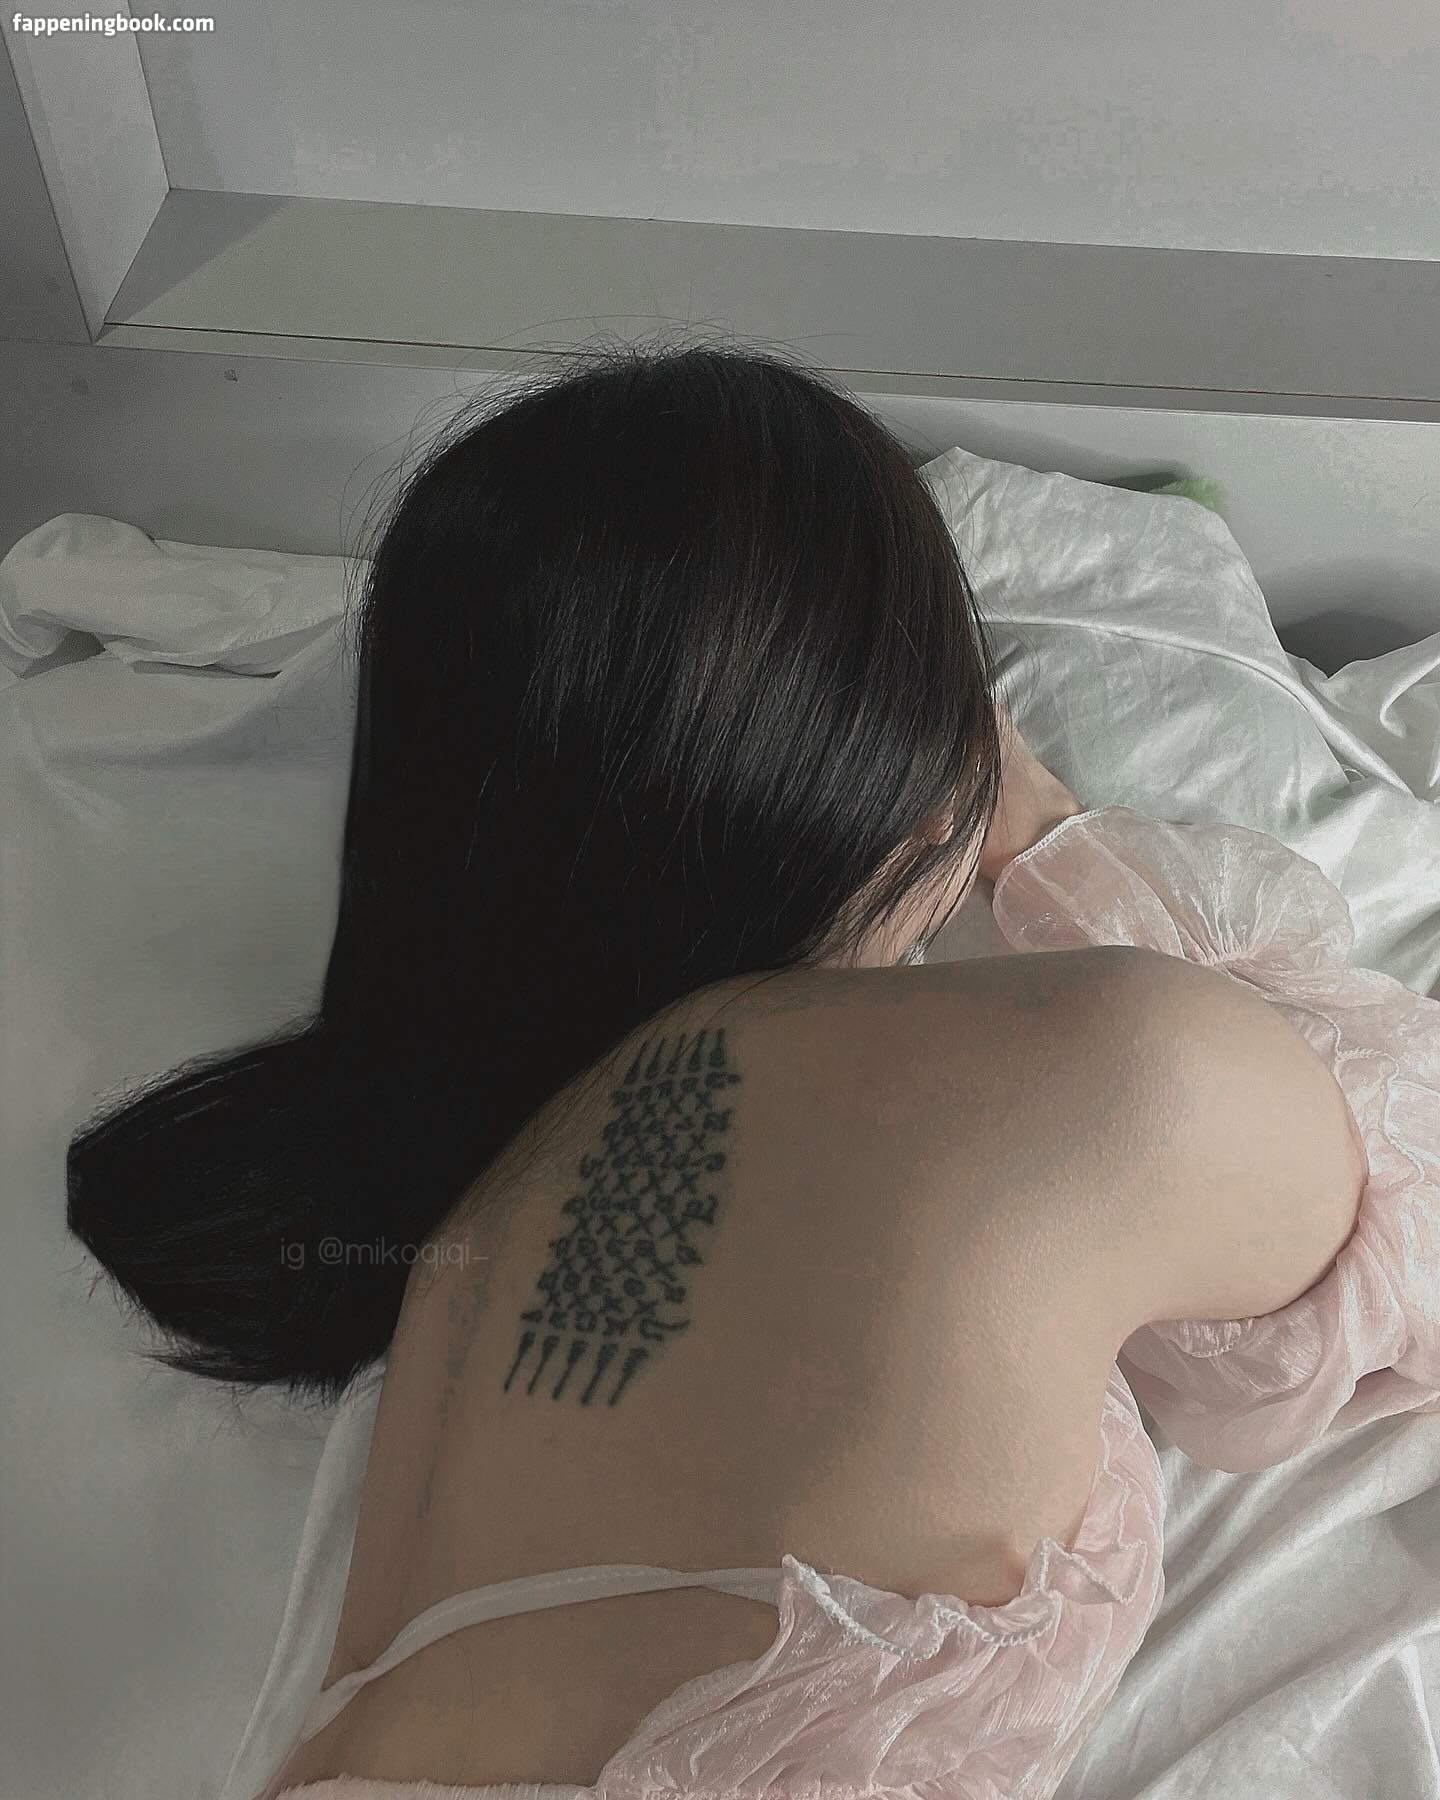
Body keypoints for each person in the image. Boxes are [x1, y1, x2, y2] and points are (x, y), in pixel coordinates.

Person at [65, 340, 1439, 1800]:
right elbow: (1388, 1250)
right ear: (910, 763)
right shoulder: (1109, 1077)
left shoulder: (468, 1245)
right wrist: (1048, 837)